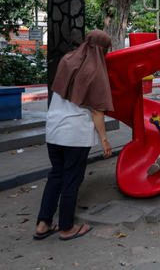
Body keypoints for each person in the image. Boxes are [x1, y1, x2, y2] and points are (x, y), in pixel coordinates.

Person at [34, 30, 114, 241]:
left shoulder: (67, 60)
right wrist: (104, 140)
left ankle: (43, 224)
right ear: (102, 49)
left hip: (54, 129)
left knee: (56, 176)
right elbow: (97, 111)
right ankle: (67, 227)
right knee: (71, 180)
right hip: (76, 134)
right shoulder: (95, 70)